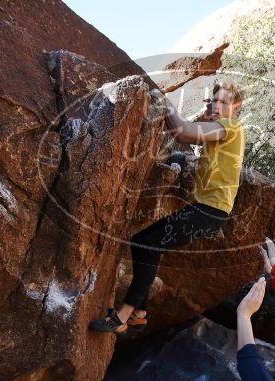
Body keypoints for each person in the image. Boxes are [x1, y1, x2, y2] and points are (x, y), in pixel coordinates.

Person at [89, 82, 245, 335]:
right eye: (214, 101)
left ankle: (122, 317)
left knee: (148, 244)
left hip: (210, 211)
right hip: (206, 208)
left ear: (236, 108)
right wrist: (182, 160)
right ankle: (140, 314)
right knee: (142, 241)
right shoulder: (221, 130)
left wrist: (163, 101)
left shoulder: (231, 126)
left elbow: (183, 132)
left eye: (224, 102)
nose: (217, 106)